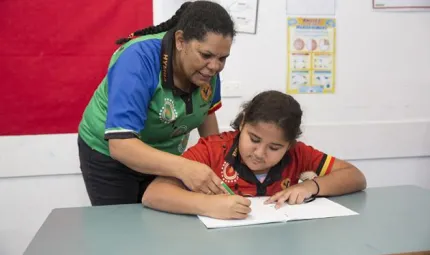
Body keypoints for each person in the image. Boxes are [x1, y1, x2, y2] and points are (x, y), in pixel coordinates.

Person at [77, 1, 236, 206]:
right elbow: (120, 145)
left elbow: (206, 114)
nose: (214, 66)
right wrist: (186, 168)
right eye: (206, 55)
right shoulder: (137, 59)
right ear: (180, 41)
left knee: (161, 225)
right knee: (120, 230)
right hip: (110, 155)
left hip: (166, 156)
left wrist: (219, 166)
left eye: (223, 58)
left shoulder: (207, 69)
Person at [142, 90, 367, 220]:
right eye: (254, 139)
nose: (259, 154)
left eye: (274, 147)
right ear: (242, 124)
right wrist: (208, 205)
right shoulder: (212, 149)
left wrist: (310, 187)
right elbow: (153, 194)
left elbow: (355, 176)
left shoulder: (298, 154)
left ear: (289, 146)